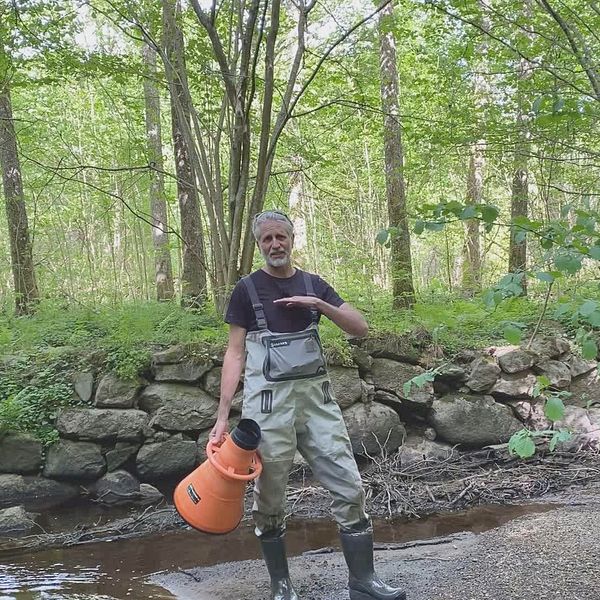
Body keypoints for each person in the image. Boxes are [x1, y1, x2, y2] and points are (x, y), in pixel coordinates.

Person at [210, 210, 406, 600]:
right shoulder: (246, 290)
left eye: (280, 237)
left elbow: (360, 327)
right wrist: (221, 418)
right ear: (258, 244)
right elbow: (235, 355)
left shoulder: (313, 284)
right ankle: (282, 586)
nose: (275, 245)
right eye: (267, 239)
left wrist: (319, 303)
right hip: (267, 411)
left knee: (350, 486)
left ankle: (363, 582)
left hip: (318, 407)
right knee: (269, 498)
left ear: (292, 238)